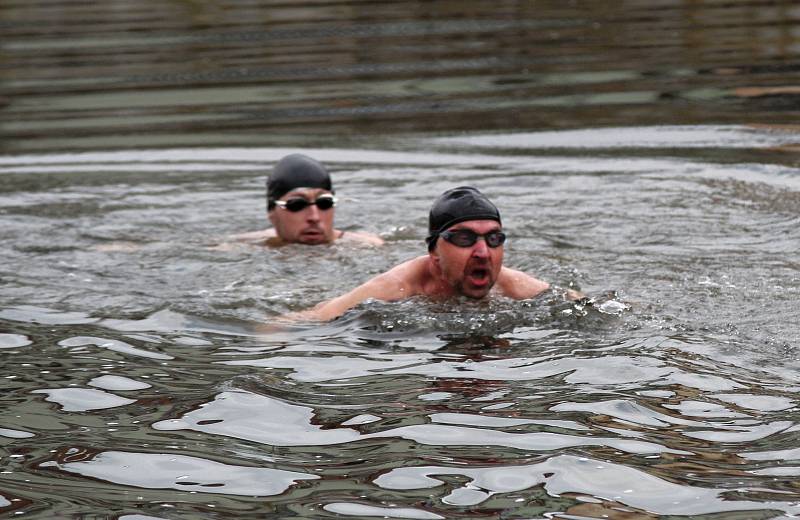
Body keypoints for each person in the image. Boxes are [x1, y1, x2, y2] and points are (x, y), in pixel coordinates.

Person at [296, 186, 559, 322]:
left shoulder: (515, 286)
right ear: (434, 250)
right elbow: (311, 320)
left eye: (494, 239)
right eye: (464, 238)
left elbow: (588, 308)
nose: (482, 253)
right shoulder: (392, 288)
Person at [230, 154, 384, 246]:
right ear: (272, 212)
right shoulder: (243, 246)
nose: (314, 217)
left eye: (324, 203)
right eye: (297, 205)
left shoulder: (365, 247)